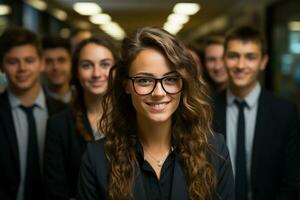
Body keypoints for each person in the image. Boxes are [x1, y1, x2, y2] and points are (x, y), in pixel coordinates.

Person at [78, 27, 234, 200]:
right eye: (144, 80)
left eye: (170, 79)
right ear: (126, 85)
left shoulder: (214, 150)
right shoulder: (96, 158)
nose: (158, 92)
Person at [213, 25, 300, 200]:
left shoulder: (285, 112)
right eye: (233, 56)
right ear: (224, 59)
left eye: (250, 57)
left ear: (263, 62)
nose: (240, 65)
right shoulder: (206, 109)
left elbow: (293, 181)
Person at [44, 34, 118, 200]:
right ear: (76, 72)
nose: (96, 73)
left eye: (105, 64)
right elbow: (56, 192)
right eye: (87, 65)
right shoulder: (59, 125)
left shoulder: (135, 120)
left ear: (117, 70)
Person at [0, 27, 66, 200]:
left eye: (29, 60)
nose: (22, 68)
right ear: (1, 66)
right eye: (13, 62)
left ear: (42, 63)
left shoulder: (65, 112)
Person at [42, 36, 75, 104]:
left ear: (71, 63)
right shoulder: (34, 100)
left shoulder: (85, 98)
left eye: (61, 60)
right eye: (49, 61)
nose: (55, 67)